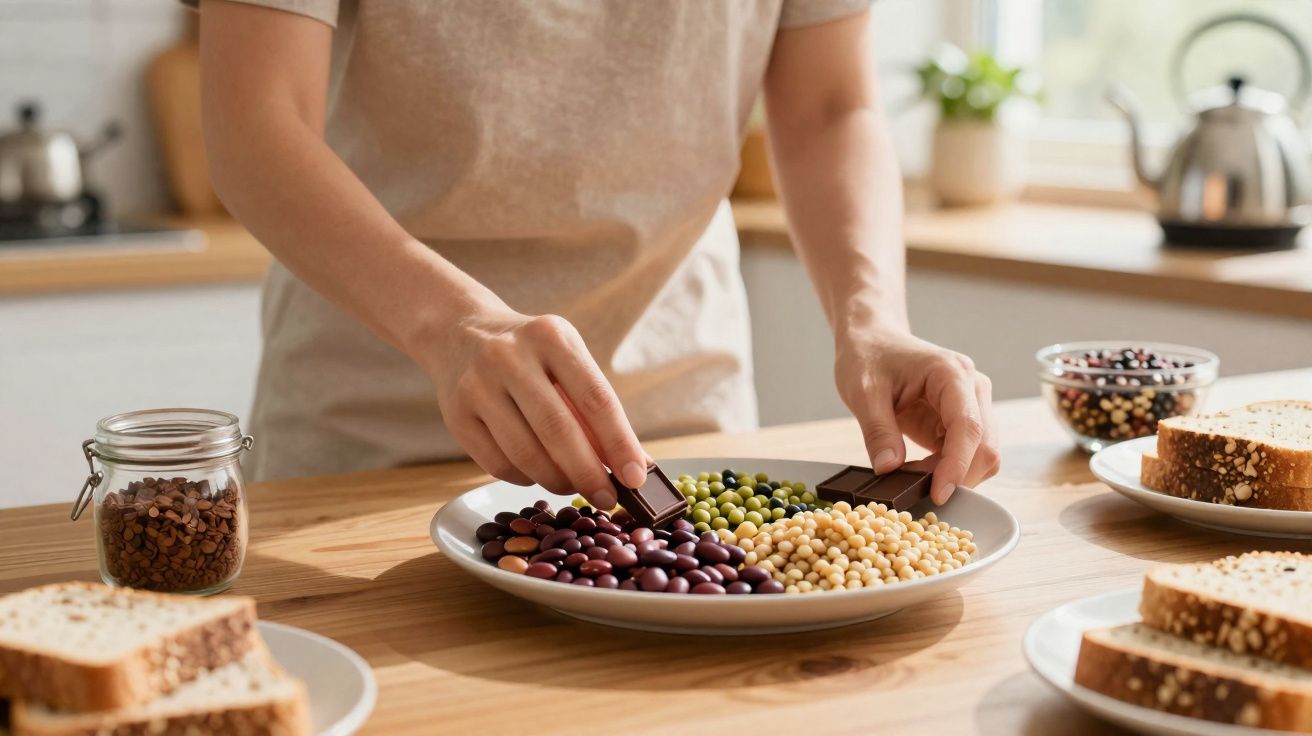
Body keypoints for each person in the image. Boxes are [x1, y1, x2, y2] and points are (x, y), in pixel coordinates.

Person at [198, 0, 1000, 510]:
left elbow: (832, 105)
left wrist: (872, 320)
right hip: (370, 431)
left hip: (684, 424)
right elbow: (255, 124)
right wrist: (453, 326)